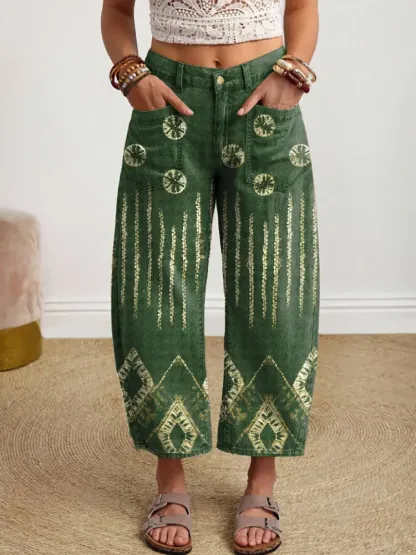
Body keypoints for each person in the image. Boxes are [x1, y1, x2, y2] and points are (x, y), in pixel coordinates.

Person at [101, 1, 320, 553]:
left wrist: (293, 71)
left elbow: (302, 6)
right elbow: (116, 11)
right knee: (154, 290)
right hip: (167, 98)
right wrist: (132, 76)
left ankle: (262, 481)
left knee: (274, 289)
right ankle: (170, 479)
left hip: (265, 93)